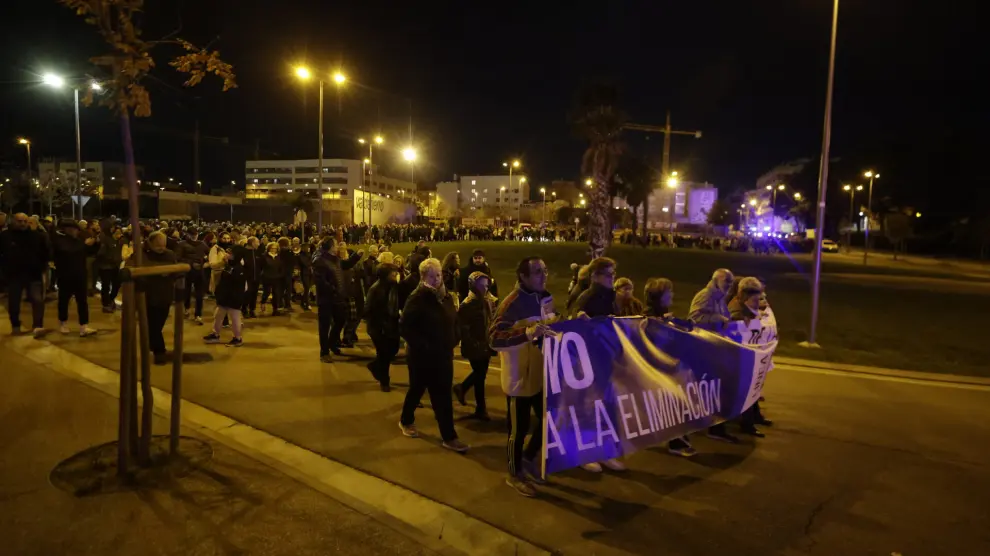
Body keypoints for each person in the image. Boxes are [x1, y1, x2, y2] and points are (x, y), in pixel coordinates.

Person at [489, 256, 557, 497]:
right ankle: (514, 474)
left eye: (545, 270)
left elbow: (551, 325)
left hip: (540, 374)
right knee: (518, 431)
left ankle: (528, 458)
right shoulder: (511, 304)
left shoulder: (545, 297)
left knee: (549, 420)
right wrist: (527, 334)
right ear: (523, 276)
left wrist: (573, 323)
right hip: (519, 378)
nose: (544, 275)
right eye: (538, 272)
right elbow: (494, 339)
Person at [398, 257, 468, 452]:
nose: (437, 279)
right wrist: (424, 346)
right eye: (432, 276)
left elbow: (454, 319)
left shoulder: (445, 297)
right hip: (422, 357)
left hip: (444, 355)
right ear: (423, 277)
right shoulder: (417, 298)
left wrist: (455, 337)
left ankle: (449, 437)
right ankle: (406, 420)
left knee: (443, 395)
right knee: (417, 389)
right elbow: (405, 327)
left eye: (438, 275)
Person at [566, 257, 627, 472]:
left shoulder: (610, 297)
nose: (612, 278)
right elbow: (571, 324)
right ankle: (584, 453)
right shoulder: (587, 297)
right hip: (587, 362)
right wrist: (579, 318)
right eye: (608, 275)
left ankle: (604, 450)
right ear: (595, 276)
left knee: (605, 408)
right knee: (587, 408)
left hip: (604, 359)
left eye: (613, 274)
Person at [643, 277, 697, 457]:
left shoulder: (663, 314)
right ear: (659, 296)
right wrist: (662, 325)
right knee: (674, 404)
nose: (672, 295)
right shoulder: (648, 317)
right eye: (668, 292)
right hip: (658, 367)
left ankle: (678, 439)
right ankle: (677, 442)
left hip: (667, 365)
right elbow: (650, 341)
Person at [689, 268, 739, 443]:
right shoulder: (706, 295)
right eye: (727, 281)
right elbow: (694, 317)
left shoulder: (719, 297)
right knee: (714, 389)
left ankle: (712, 425)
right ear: (716, 279)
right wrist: (718, 318)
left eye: (731, 282)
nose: (729, 285)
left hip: (715, 348)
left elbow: (723, 316)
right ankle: (714, 428)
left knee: (714, 389)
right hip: (705, 348)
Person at [128, 231, 179, 365]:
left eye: (163, 245)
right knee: (153, 325)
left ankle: (153, 344)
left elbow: (176, 271)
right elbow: (134, 269)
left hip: (165, 294)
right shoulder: (141, 254)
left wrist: (171, 273)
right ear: (150, 243)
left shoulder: (170, 254)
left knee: (158, 324)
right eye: (158, 245)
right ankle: (159, 351)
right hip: (147, 295)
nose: (161, 248)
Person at [727, 276, 769, 438]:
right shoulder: (736, 310)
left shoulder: (743, 306)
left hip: (746, 356)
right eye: (756, 299)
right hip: (738, 358)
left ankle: (754, 417)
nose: (758, 302)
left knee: (753, 386)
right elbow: (741, 330)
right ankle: (747, 423)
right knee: (747, 389)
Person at [453, 271, 496, 420]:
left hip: (485, 343)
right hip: (475, 345)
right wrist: (474, 343)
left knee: (480, 375)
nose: (485, 287)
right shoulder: (468, 304)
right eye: (482, 285)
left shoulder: (485, 300)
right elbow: (463, 328)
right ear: (473, 286)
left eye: (486, 285)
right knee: (480, 373)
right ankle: (476, 404)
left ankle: (478, 406)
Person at [312, 239, 363, 361]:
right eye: (335, 245)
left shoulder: (335, 259)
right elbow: (321, 281)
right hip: (326, 299)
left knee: (340, 320)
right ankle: (324, 352)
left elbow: (345, 265)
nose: (337, 247)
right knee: (324, 326)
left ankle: (331, 342)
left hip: (338, 297)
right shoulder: (319, 261)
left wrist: (356, 256)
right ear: (330, 247)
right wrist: (334, 290)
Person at [0, 213, 48, 336]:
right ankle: (15, 325)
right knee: (14, 302)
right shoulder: (5, 236)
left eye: (25, 221)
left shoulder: (36, 236)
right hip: (14, 275)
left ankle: (38, 325)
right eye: (19, 221)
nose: (22, 224)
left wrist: (42, 267)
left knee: (37, 300)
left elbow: (45, 252)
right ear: (14, 221)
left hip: (33, 274)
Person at [51, 219, 99, 337]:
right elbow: (67, 251)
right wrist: (85, 245)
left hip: (80, 275)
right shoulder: (60, 241)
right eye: (72, 229)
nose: (74, 231)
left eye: (76, 229)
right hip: (65, 275)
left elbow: (89, 252)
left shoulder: (78, 241)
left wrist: (96, 242)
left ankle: (84, 326)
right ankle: (63, 323)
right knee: (64, 300)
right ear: (66, 229)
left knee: (82, 301)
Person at [363, 262, 401, 391]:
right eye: (393, 272)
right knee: (384, 354)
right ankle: (385, 381)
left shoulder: (394, 286)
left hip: (391, 324)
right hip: (378, 327)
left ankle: (375, 366)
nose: (395, 274)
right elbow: (368, 309)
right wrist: (379, 324)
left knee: (393, 349)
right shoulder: (376, 289)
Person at [203, 243, 247, 347]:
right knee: (218, 316)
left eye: (230, 253)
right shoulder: (229, 266)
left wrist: (233, 298)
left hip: (233, 299)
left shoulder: (238, 269)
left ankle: (237, 338)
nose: (227, 254)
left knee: (235, 318)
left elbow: (238, 286)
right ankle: (215, 334)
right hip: (224, 297)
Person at [176, 228, 210, 324]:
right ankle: (187, 308)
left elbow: (208, 254)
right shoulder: (182, 244)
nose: (194, 236)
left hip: (199, 271)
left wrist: (205, 261)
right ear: (188, 234)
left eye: (196, 234)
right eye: (192, 234)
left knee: (199, 294)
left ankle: (198, 314)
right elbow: (178, 257)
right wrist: (191, 263)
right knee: (186, 292)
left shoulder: (202, 244)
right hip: (187, 271)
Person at [95, 222, 123, 313]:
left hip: (115, 267)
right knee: (106, 286)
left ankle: (111, 299)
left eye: (120, 233)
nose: (119, 235)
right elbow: (100, 253)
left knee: (117, 284)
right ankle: (106, 304)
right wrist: (111, 259)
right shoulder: (107, 240)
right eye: (117, 233)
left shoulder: (119, 242)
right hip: (105, 267)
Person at [259, 241, 283, 315]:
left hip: (276, 277)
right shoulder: (264, 256)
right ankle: (263, 302)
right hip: (267, 277)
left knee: (276, 293)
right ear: (268, 248)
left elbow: (281, 267)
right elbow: (260, 267)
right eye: (272, 248)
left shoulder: (279, 256)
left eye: (275, 248)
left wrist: (280, 274)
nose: (273, 250)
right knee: (267, 292)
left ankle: (275, 309)